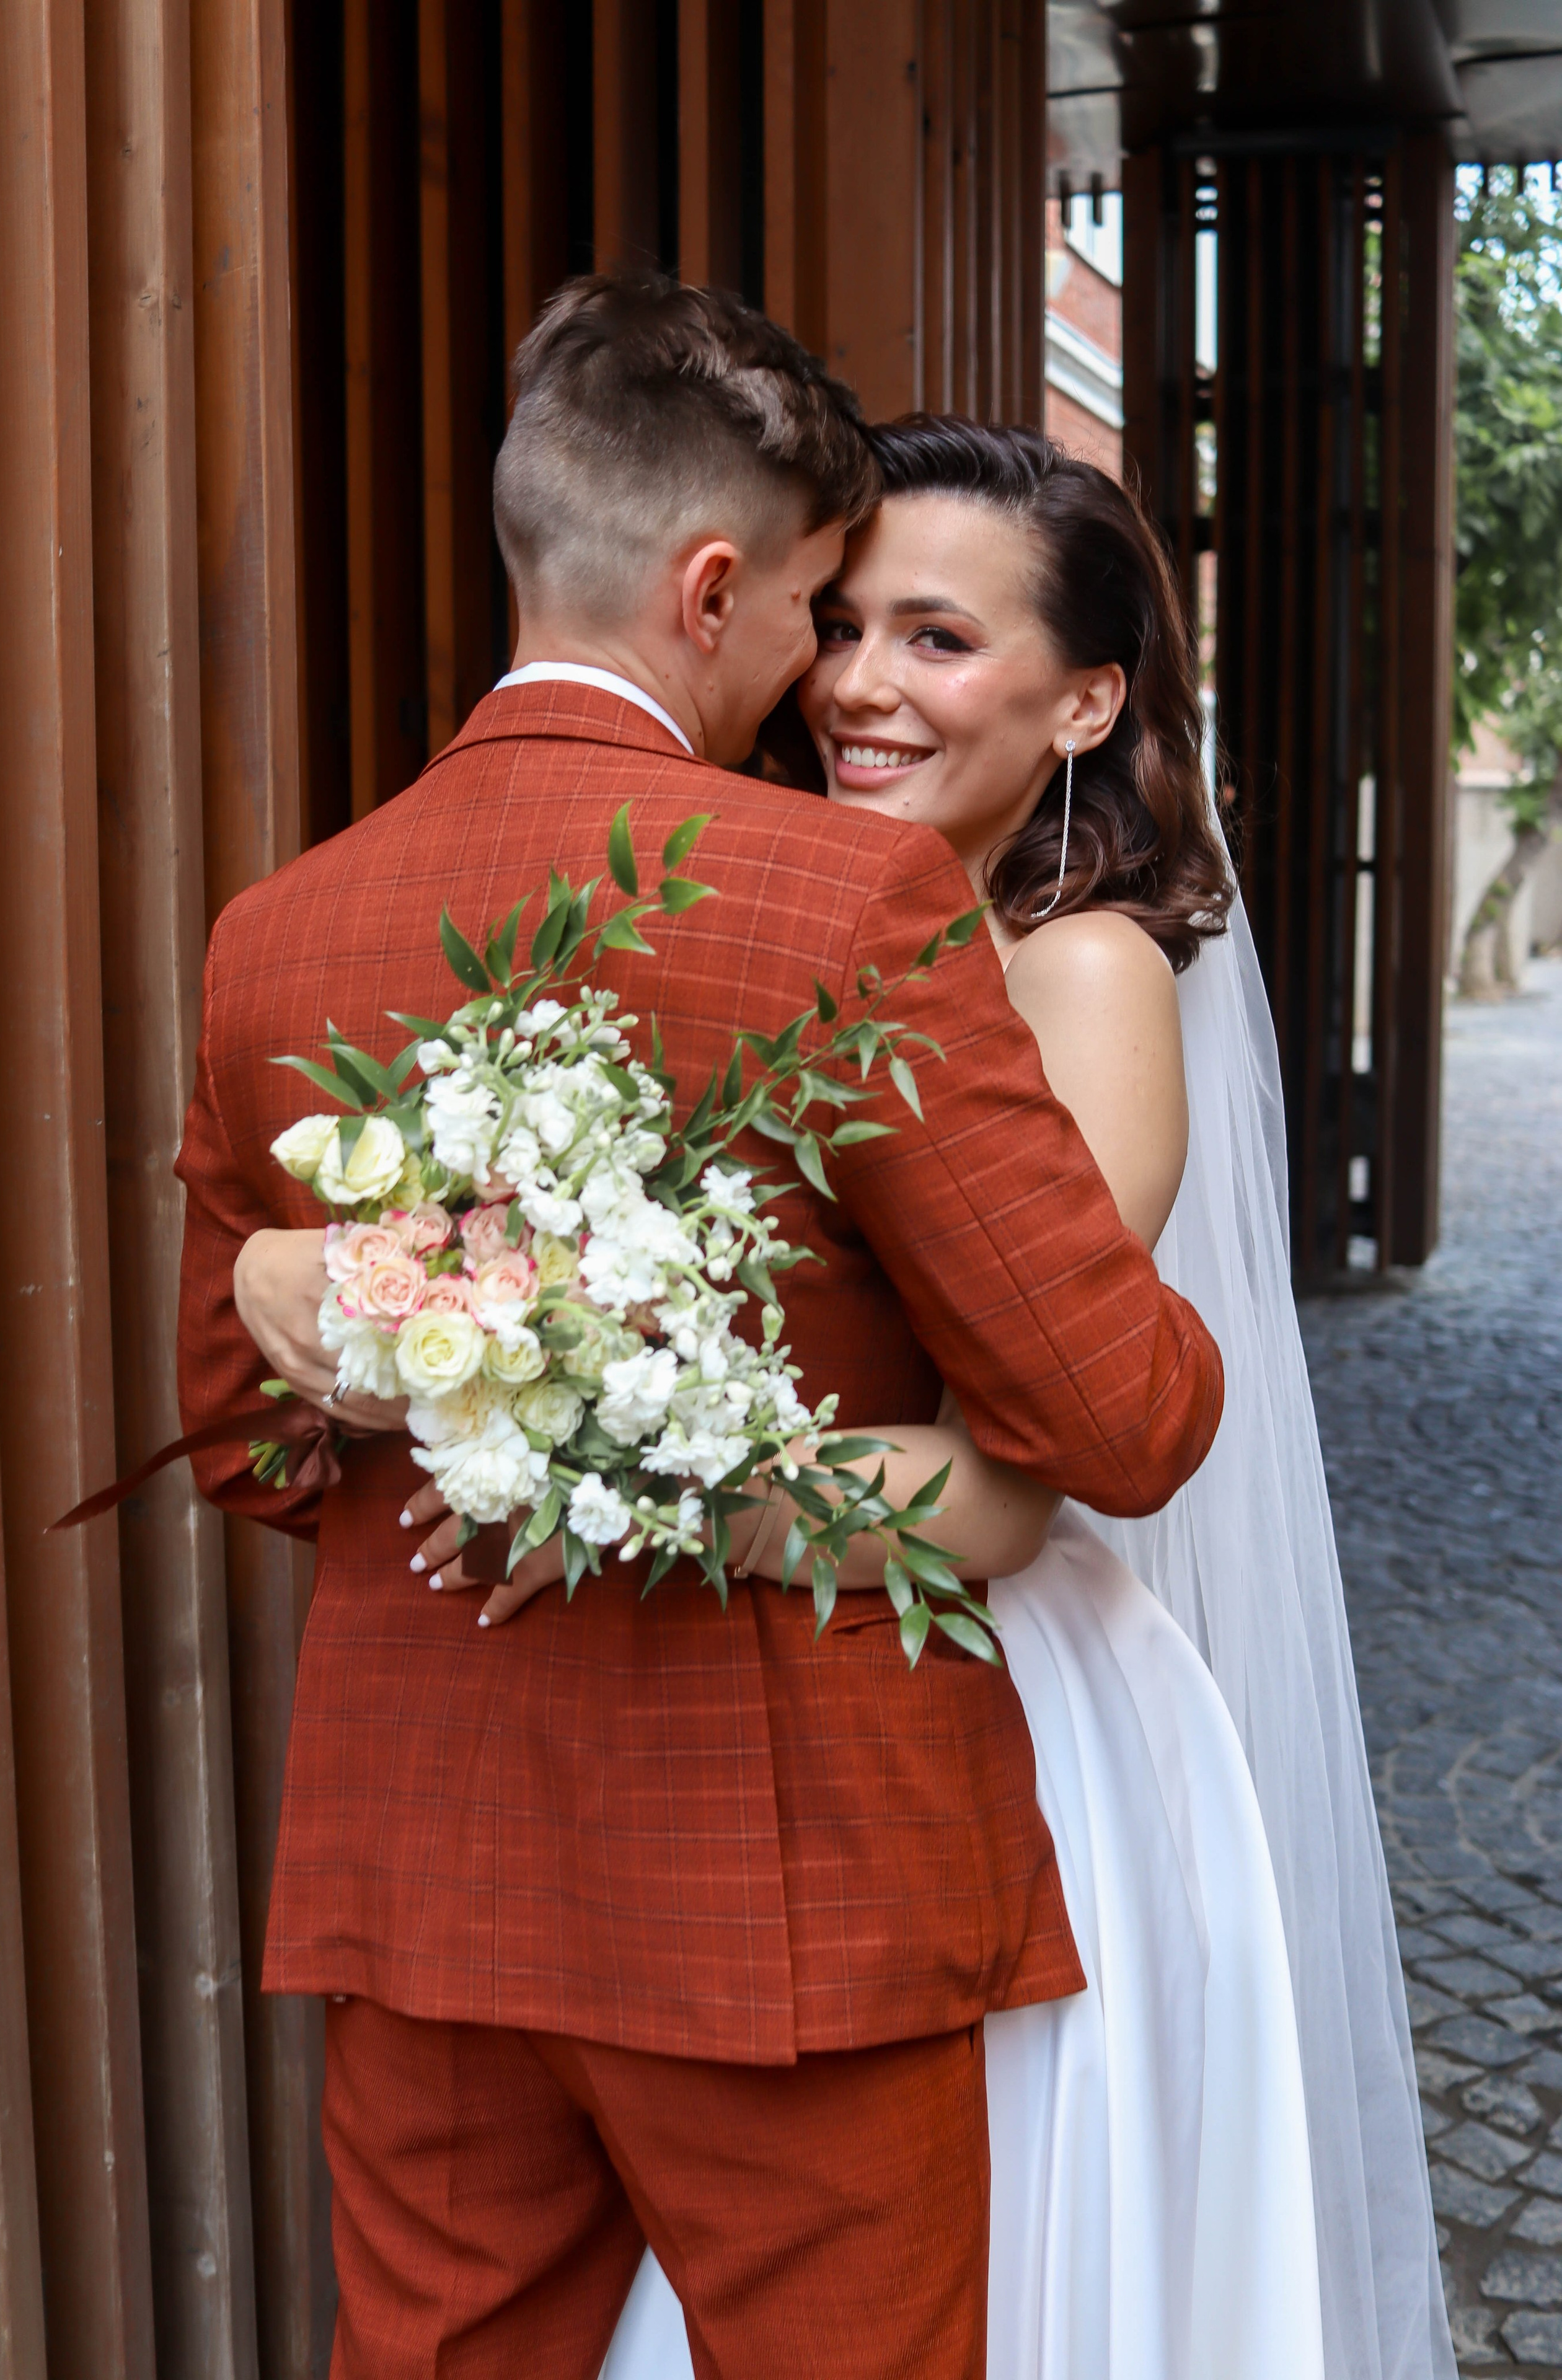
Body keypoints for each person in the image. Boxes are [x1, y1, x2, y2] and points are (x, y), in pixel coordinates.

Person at [180, 277, 1224, 2379]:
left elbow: (248, 1444)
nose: (824, 671)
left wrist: (441, 1348)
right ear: (718, 584)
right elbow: (1120, 1416)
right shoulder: (839, 906)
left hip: (429, 1871)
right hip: (783, 1904)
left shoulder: (277, 932)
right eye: (822, 610)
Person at [596, 420, 1452, 2380]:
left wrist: (603, 1460)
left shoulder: (1080, 975)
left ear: (1085, 699)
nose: (863, 685)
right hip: (764, 1681)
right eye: (845, 625)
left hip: (1001, 1711)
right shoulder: (768, 917)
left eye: (938, 637)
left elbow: (1036, 1437)